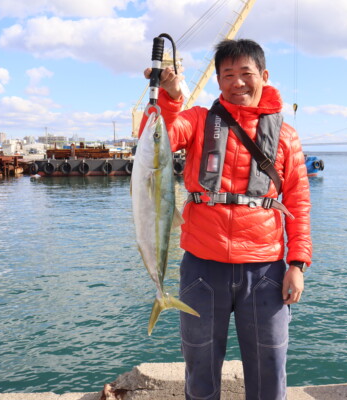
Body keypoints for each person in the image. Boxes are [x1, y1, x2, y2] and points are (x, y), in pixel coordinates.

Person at [142, 39, 312, 400]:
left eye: (246, 73)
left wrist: (297, 263)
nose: (238, 83)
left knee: (270, 369)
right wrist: (170, 98)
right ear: (218, 81)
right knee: (200, 368)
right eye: (228, 75)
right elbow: (156, 140)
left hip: (265, 270)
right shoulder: (199, 120)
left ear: (263, 76)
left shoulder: (286, 135)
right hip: (202, 266)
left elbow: (298, 202)